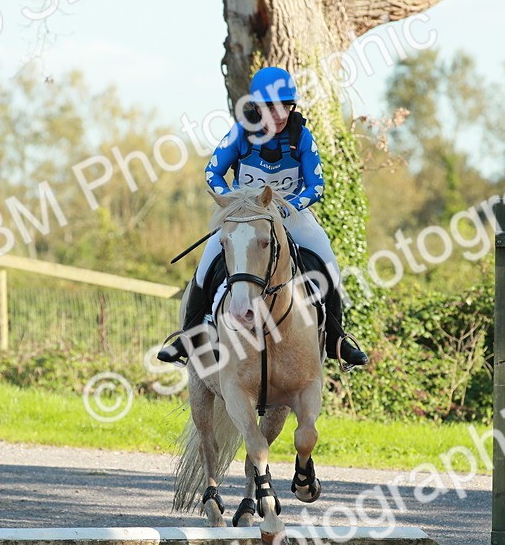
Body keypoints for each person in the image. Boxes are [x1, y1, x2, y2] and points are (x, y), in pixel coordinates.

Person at [157, 66, 369, 368]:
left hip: (291, 216)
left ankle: (338, 340)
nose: (280, 114)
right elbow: (212, 172)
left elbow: (317, 186)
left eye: (286, 106)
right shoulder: (239, 134)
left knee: (329, 265)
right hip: (244, 219)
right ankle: (187, 338)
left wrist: (285, 208)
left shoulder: (302, 137)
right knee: (205, 268)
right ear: (256, 106)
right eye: (271, 107)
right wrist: (233, 204)